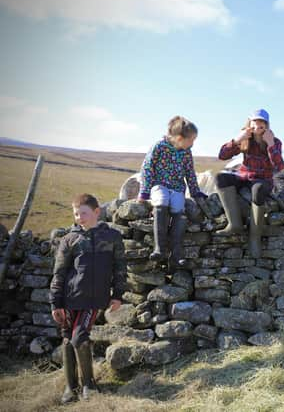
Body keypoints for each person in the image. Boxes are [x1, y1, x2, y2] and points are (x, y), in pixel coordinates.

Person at [49, 194, 126, 403]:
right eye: (76, 213)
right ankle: (70, 387)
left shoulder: (112, 237)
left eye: (83, 213)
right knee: (67, 341)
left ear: (97, 212)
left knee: (80, 338)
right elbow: (59, 273)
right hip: (69, 298)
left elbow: (120, 268)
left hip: (94, 300)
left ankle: (89, 386)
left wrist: (118, 295)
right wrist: (56, 302)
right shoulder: (69, 240)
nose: (79, 217)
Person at [137, 116, 206, 268]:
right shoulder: (159, 146)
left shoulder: (186, 152)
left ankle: (176, 253)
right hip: (159, 184)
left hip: (177, 187)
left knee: (179, 210)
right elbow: (147, 168)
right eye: (192, 140)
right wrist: (144, 192)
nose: (193, 143)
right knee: (161, 203)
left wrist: (195, 191)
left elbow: (189, 172)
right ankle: (159, 248)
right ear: (180, 138)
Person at [215, 109, 284, 258]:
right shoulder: (245, 139)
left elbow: (279, 167)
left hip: (263, 179)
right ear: (250, 123)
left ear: (266, 125)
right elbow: (222, 156)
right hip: (244, 176)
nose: (258, 125)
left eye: (262, 122)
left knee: (258, 190)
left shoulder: (275, 141)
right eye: (255, 121)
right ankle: (235, 224)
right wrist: (237, 139)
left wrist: (270, 144)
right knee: (221, 178)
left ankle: (255, 238)